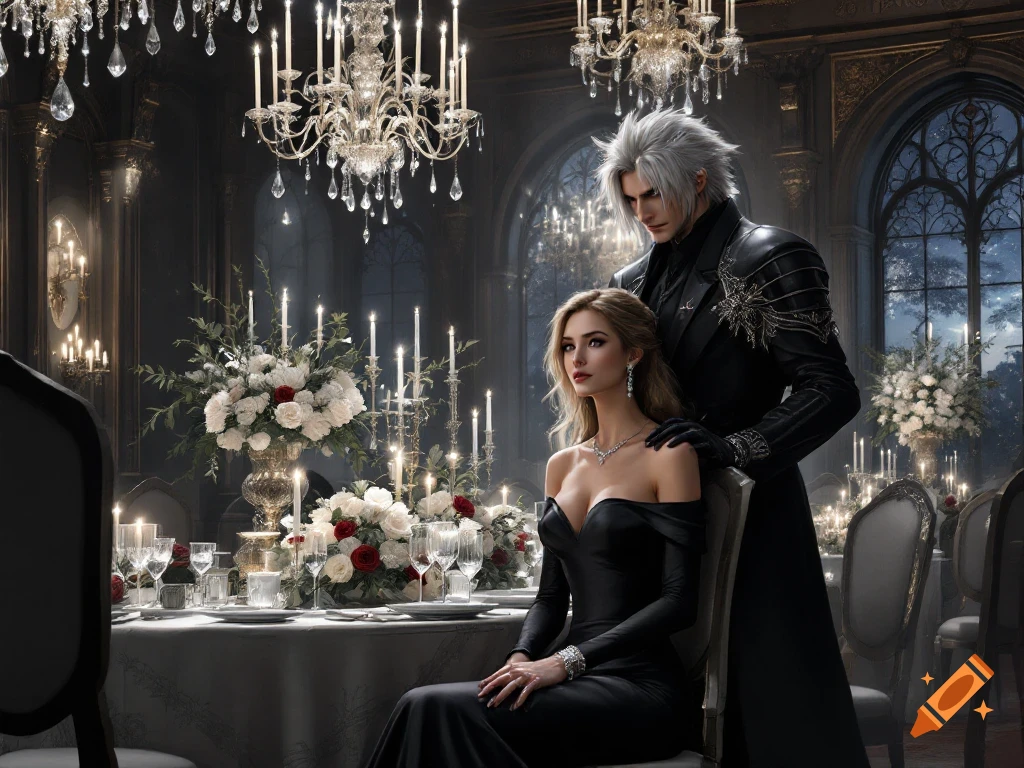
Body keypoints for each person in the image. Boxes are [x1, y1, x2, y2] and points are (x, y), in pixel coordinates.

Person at [599, 109, 869, 767]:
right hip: (659, 515)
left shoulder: (769, 255)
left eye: (653, 194)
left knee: (773, 719)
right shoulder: (629, 283)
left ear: (698, 180)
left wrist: (739, 447)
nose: (643, 212)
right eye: (631, 199)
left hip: (756, 515)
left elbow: (831, 389)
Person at [365, 288, 707, 768]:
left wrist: (564, 661)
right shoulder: (563, 463)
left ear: (633, 353)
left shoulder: (670, 453)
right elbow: (550, 598)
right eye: (568, 346)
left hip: (642, 686)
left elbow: (679, 601)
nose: (577, 358)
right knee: (421, 704)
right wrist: (524, 656)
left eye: (595, 342)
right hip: (571, 677)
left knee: (436, 707)